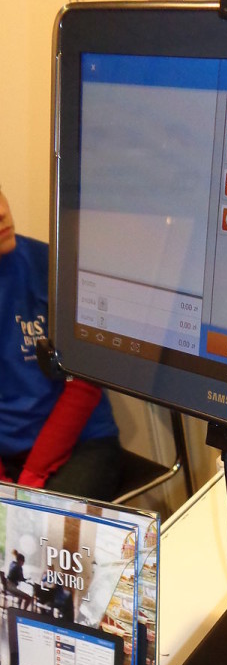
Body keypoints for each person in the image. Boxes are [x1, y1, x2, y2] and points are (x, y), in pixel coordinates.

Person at [0, 184, 123, 499]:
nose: (2, 212)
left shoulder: (51, 266)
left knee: (39, 536)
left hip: (81, 445)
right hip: (8, 456)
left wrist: (30, 479)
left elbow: (84, 384)